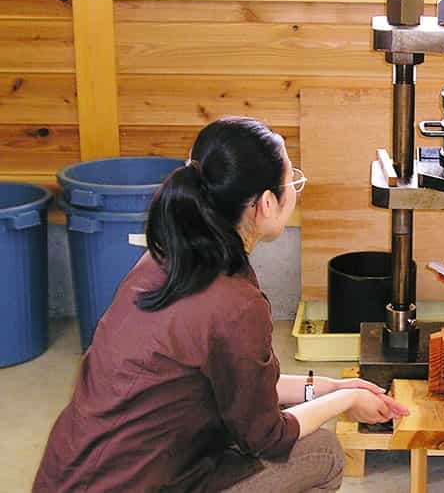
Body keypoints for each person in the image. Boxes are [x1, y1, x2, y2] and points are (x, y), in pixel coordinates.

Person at [34, 117, 407, 492]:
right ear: (265, 204)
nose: (295, 191)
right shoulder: (236, 304)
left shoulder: (164, 257)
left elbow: (242, 385)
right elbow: (268, 437)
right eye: (293, 182)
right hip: (141, 482)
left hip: (70, 476)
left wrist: (326, 387)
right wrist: (344, 401)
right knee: (321, 453)